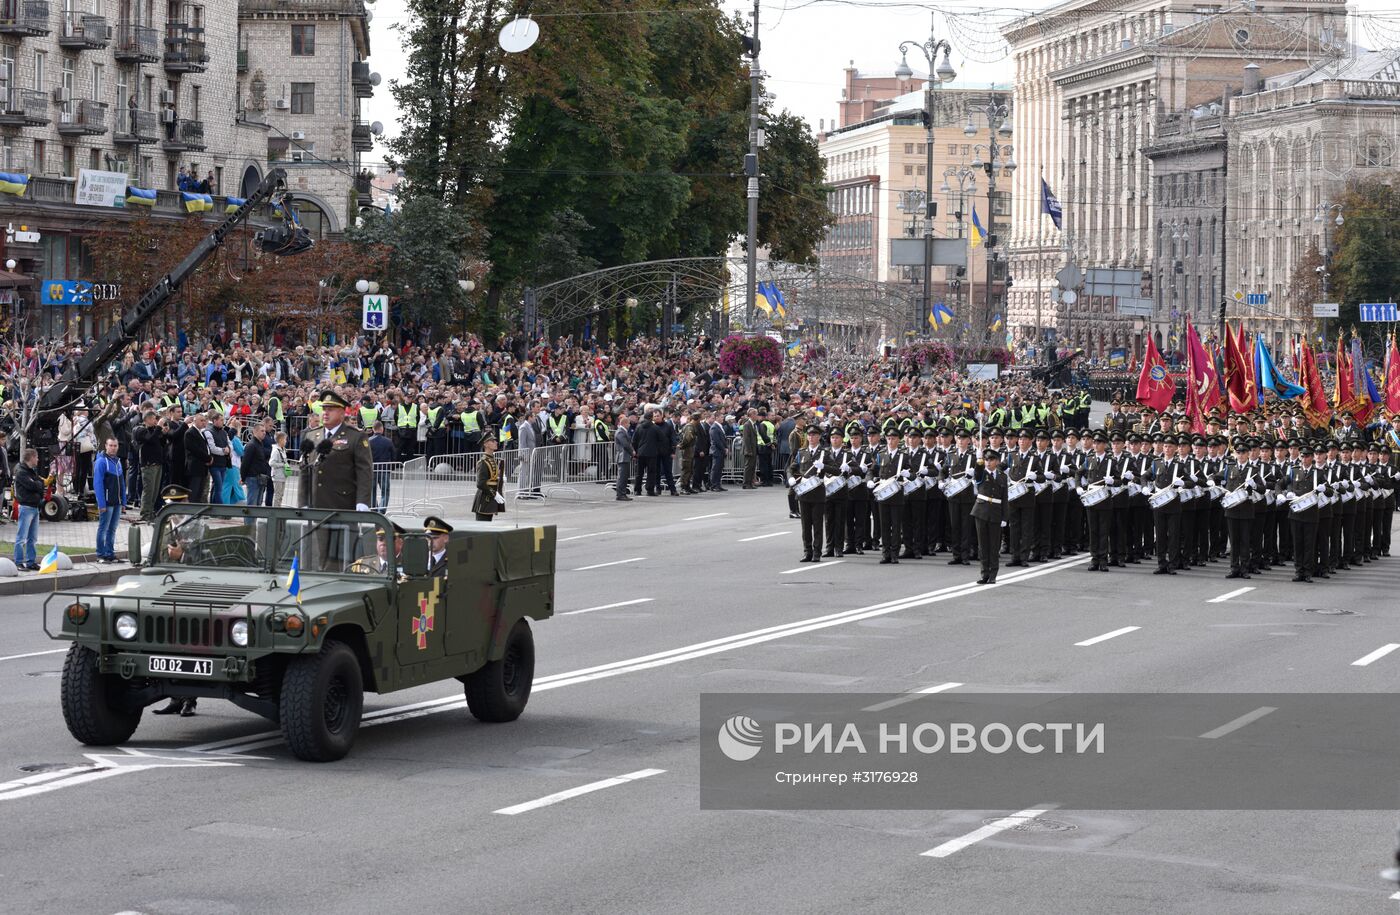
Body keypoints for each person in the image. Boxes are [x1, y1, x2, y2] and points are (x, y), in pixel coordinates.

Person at [299, 390, 373, 511]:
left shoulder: (355, 436)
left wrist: (363, 501)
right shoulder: (312, 435)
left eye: (331, 409)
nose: (325, 413)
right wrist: (303, 502)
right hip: (315, 506)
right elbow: (304, 470)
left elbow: (364, 471)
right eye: (324, 409)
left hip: (343, 505)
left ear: (342, 413)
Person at [789, 425, 828, 563]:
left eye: (814, 435)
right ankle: (807, 552)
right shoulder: (802, 452)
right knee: (805, 526)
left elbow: (835, 470)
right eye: (809, 435)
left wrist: (824, 467)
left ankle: (817, 552)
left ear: (818, 437)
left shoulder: (824, 453)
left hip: (817, 493)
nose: (811, 437)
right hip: (804, 494)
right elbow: (791, 467)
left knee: (817, 525)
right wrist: (791, 477)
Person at [971, 448, 1009, 585]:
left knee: (994, 546)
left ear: (997, 461)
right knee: (983, 545)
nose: (988, 462)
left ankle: (993, 574)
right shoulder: (981, 473)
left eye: (991, 460)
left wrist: (1005, 517)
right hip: (981, 511)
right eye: (986, 460)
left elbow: (1005, 498)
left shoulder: (1002, 476)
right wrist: (978, 461)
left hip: (995, 513)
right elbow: (977, 472)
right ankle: (984, 574)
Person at [92, 438, 126, 563]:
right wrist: (101, 503)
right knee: (103, 528)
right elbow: (98, 484)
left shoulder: (118, 462)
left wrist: (123, 502)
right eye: (110, 445)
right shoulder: (101, 462)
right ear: (106, 446)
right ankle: (100, 554)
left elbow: (122, 483)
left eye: (115, 445)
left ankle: (109, 553)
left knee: (112, 529)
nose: (113, 448)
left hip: (116, 502)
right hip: (107, 502)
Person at [13, 448, 42, 571]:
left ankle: (31, 561)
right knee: (21, 537)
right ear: (31, 458)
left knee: (32, 538)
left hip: (34, 507)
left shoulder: (31, 471)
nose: (38, 459)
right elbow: (33, 485)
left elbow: (40, 483)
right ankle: (18, 562)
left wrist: (38, 484)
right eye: (36, 457)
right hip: (26, 506)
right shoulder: (21, 472)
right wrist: (37, 484)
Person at [472, 435, 504, 521]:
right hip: (484, 499)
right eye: (493, 441)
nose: (496, 442)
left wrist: (499, 478)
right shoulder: (483, 462)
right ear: (486, 444)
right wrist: (494, 494)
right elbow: (481, 483)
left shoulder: (492, 459)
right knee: (482, 529)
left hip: (489, 499)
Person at [368, 421, 396, 511]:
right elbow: (393, 455)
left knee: (372, 491)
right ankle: (382, 510)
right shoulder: (388, 441)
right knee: (385, 491)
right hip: (384, 469)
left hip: (372, 469)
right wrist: (391, 468)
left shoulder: (368, 441)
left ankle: (373, 508)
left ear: (373, 429)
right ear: (382, 429)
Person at [614, 412, 634, 502]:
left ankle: (622, 493)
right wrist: (632, 452)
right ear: (624, 423)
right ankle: (620, 494)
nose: (629, 425)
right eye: (628, 423)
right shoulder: (620, 432)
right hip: (622, 456)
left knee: (624, 476)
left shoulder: (622, 432)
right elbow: (625, 444)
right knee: (622, 476)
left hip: (624, 456)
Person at [269, 430, 291, 506]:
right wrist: (282, 464)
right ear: (280, 440)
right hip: (277, 476)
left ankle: (279, 509)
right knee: (278, 495)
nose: (286, 441)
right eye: (285, 439)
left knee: (281, 495)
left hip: (282, 476)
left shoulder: (283, 449)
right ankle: (275, 512)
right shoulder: (276, 451)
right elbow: (271, 463)